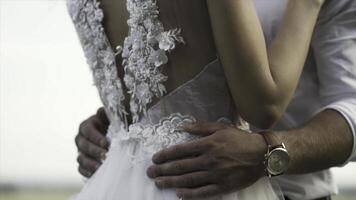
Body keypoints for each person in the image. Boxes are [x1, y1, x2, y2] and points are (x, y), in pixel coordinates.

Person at [69, 0, 356, 199]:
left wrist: (270, 152)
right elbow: (263, 105)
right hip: (167, 183)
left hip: (295, 192)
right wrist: (117, 124)